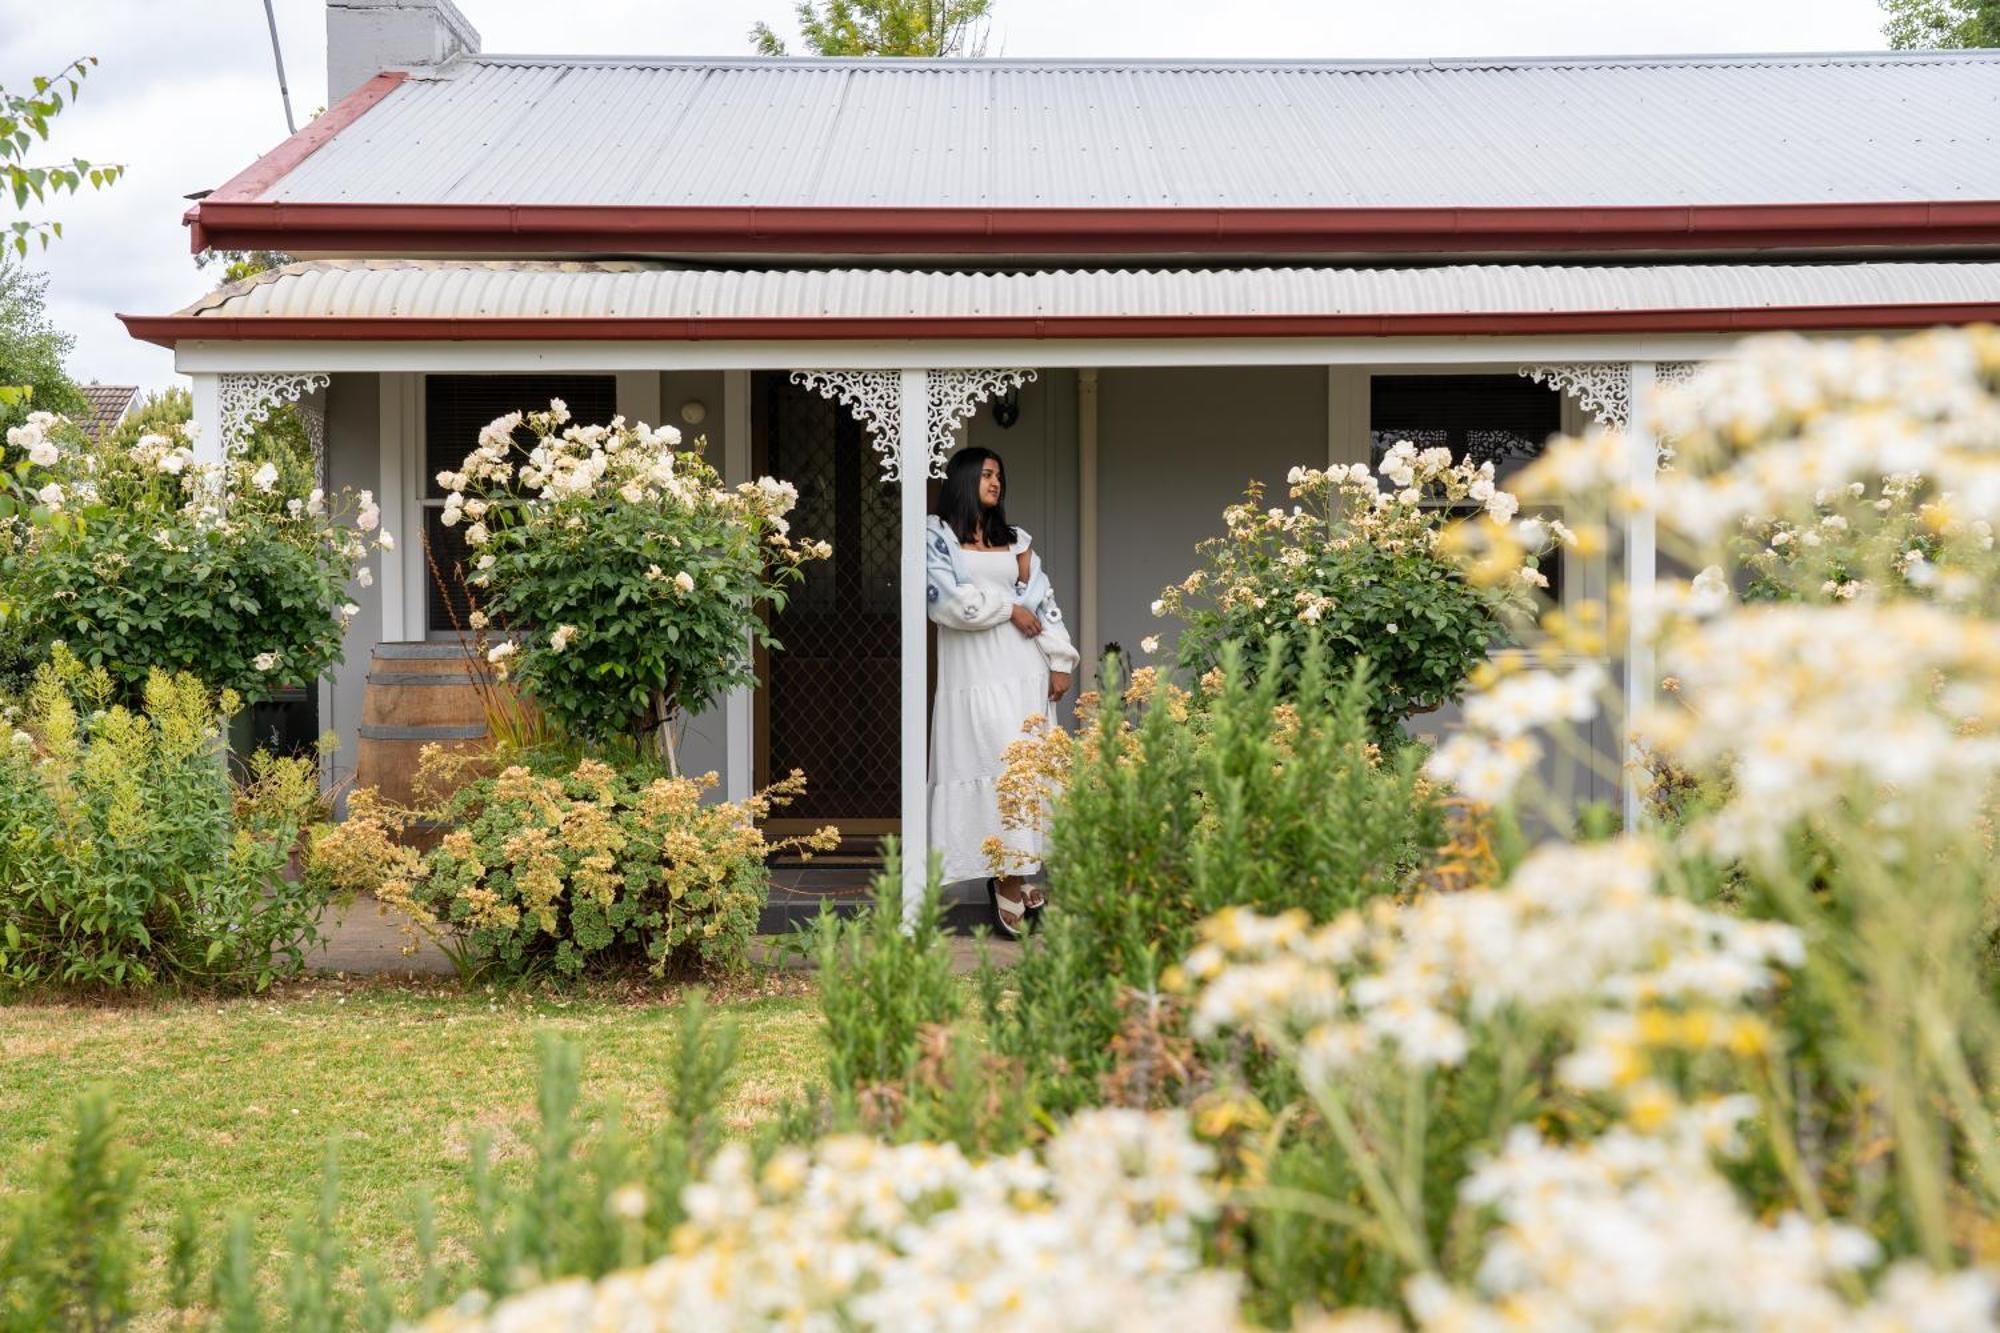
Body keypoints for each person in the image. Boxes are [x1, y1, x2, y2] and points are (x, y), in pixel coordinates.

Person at [925, 447, 1078, 937]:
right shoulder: (937, 537)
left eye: (999, 476)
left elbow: (1046, 603)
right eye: (987, 475)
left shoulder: (1016, 542)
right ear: (965, 480)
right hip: (973, 675)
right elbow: (949, 603)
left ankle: (1015, 874)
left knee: (1024, 769)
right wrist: (1009, 607)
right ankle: (1005, 874)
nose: (995, 483)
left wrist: (1060, 659)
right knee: (990, 763)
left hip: (1022, 669)